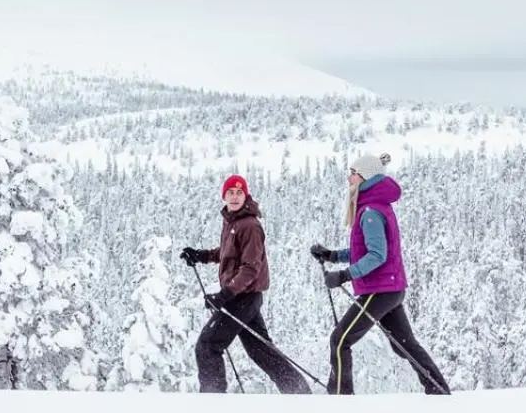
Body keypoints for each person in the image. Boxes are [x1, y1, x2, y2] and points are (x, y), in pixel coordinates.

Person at [311, 153, 450, 395]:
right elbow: (362, 250)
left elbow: (377, 255)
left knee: (340, 340)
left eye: (353, 173)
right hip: (390, 289)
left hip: (380, 290)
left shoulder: (370, 212)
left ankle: (340, 399)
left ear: (365, 177)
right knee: (405, 345)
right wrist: (332, 255)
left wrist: (345, 275)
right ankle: (438, 390)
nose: (349, 178)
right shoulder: (373, 207)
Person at [179, 174, 311, 394]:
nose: (234, 197)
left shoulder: (249, 225)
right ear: (224, 195)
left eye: (239, 193)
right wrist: (200, 255)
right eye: (230, 192)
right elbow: (229, 253)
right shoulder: (234, 222)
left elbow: (251, 268)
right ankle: (299, 393)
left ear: (246, 195)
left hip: (243, 297)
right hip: (245, 297)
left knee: (208, 345)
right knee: (261, 351)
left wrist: (225, 295)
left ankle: (212, 401)